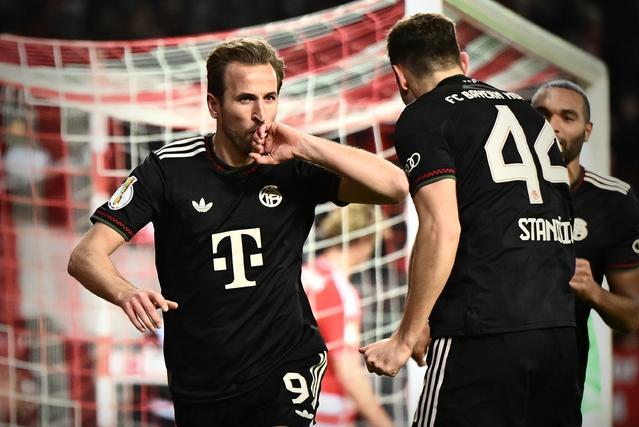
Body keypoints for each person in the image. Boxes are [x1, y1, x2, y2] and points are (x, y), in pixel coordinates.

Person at [67, 37, 408, 427]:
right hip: (201, 379)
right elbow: (85, 256)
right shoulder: (169, 169)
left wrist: (303, 143)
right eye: (246, 99)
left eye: (270, 98)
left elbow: (395, 186)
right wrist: (125, 292)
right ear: (214, 104)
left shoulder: (294, 163)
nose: (261, 114)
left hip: (285, 363)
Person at [359, 13, 579, 426]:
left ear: (400, 76)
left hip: (482, 330)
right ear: (462, 60)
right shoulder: (530, 114)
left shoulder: (425, 114)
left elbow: (441, 227)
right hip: (558, 331)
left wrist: (404, 337)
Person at [531, 80, 639, 409]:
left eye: (567, 117)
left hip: (559, 382)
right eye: (542, 115)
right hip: (491, 372)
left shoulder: (613, 201)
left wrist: (593, 292)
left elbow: (632, 316)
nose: (552, 126)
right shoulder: (493, 191)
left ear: (587, 131)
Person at [302, 204, 393, 427]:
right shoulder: (339, 291)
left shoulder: (304, 275)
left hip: (294, 402)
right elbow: (347, 369)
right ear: (364, 240)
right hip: (325, 411)